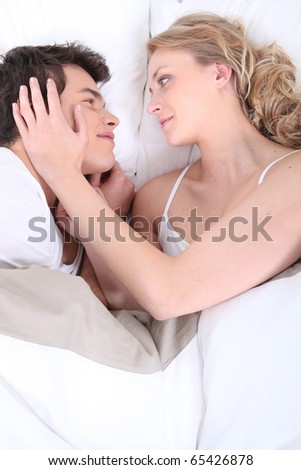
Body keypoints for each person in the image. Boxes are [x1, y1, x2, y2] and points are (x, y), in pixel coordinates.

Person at [13, 12, 301, 319]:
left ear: (219, 73)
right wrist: (99, 216)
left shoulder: (293, 174)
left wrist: (64, 176)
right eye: (150, 92)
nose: (151, 106)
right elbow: (121, 296)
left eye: (164, 80)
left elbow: (170, 295)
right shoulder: (157, 196)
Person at [0, 42, 135, 305]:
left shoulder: (56, 211)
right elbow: (74, 320)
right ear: (33, 109)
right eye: (89, 102)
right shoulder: (7, 188)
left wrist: (98, 214)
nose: (112, 119)